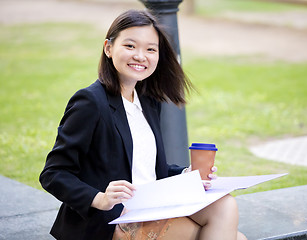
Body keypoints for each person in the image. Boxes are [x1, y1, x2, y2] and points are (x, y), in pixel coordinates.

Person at [40, 10, 247, 240]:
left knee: (226, 205)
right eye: (130, 46)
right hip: (112, 220)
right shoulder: (90, 102)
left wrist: (189, 175)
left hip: (151, 205)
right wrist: (100, 198)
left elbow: (145, 167)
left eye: (150, 49)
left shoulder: (147, 101)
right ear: (108, 48)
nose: (140, 56)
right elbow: (53, 173)